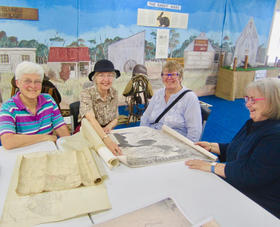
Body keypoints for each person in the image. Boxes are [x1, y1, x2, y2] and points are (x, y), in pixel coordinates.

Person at [185, 78, 280, 218]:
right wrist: (212, 147)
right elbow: (239, 149)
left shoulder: (275, 135)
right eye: (247, 98)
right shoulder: (254, 122)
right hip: (239, 188)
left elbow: (249, 174)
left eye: (254, 100)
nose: (248, 104)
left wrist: (211, 167)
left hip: (259, 205)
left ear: (272, 101)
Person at [0, 61, 70, 150]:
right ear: (18, 83)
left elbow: (61, 128)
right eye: (27, 81)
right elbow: (8, 142)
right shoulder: (8, 108)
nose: (33, 86)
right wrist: (45, 138)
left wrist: (70, 148)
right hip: (22, 155)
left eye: (37, 82)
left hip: (46, 152)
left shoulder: (48, 100)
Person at [140, 61, 202, 142]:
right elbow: (145, 118)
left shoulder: (190, 98)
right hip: (152, 139)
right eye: (166, 74)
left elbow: (194, 131)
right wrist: (143, 136)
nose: (169, 78)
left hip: (175, 144)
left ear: (180, 77)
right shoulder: (158, 94)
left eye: (173, 74)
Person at [79, 59, 122, 155]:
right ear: (95, 78)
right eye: (101, 75)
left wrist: (108, 128)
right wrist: (106, 139)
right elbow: (90, 119)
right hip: (90, 133)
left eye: (110, 75)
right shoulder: (86, 93)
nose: (106, 80)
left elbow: (115, 118)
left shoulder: (114, 93)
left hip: (106, 133)